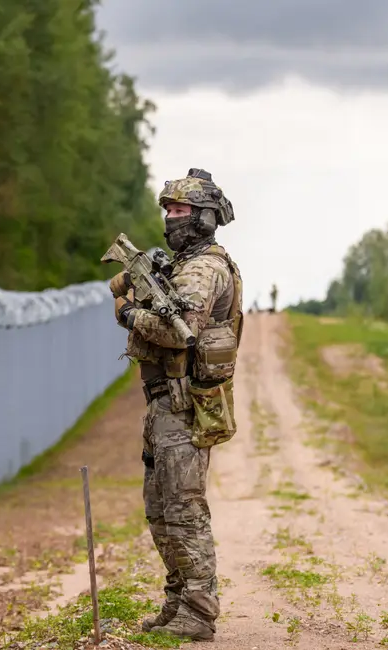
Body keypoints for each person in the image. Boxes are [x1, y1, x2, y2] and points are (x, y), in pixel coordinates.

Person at [108, 168, 244, 641]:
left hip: (185, 404)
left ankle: (200, 610)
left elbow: (175, 330)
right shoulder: (183, 265)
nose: (171, 218)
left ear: (206, 217)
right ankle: (178, 600)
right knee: (159, 507)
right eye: (168, 210)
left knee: (183, 508)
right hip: (164, 402)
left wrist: (128, 313)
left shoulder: (205, 268)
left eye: (181, 210)